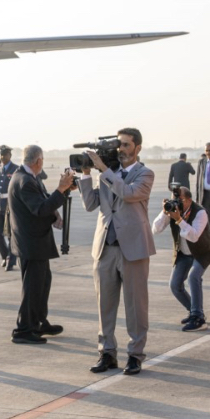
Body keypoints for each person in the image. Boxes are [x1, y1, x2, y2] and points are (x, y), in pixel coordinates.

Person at [78, 128, 155, 375]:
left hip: (133, 248)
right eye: (118, 146)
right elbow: (91, 205)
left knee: (136, 306)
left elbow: (128, 193)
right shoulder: (106, 175)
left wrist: (104, 170)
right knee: (105, 305)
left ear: (137, 148)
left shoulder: (145, 174)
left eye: (125, 145)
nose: (120, 150)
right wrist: (86, 175)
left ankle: (135, 355)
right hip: (105, 248)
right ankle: (107, 353)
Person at [8, 144, 75, 343]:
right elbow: (40, 209)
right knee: (32, 287)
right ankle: (23, 330)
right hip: (31, 244)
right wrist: (61, 189)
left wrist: (59, 199)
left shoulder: (28, 178)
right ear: (38, 161)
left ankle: (38, 321)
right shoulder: (25, 181)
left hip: (35, 243)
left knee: (42, 283)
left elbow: (44, 202)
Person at [152, 185, 210, 331]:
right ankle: (195, 311)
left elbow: (194, 236)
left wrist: (179, 220)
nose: (177, 203)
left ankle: (198, 319)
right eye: (174, 199)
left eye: (179, 200)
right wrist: (164, 212)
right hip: (183, 253)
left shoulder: (200, 212)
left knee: (194, 276)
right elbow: (155, 229)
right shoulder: (173, 211)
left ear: (188, 200)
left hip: (202, 252)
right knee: (175, 285)